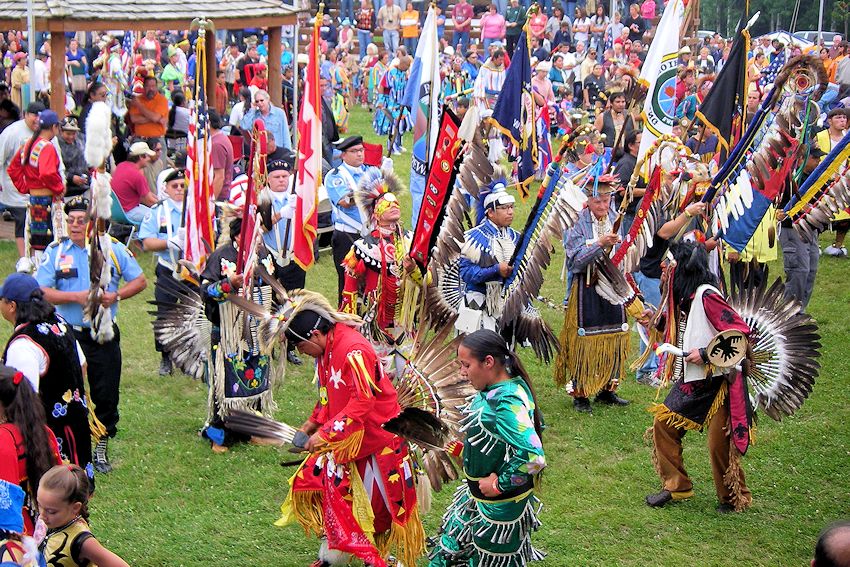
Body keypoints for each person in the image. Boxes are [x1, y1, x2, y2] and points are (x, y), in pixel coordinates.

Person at [270, 291, 424, 567]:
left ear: (315, 334)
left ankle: (378, 557)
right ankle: (335, 552)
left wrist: (325, 435)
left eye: (301, 347)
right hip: (351, 439)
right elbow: (331, 392)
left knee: (378, 506)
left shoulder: (353, 351)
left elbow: (361, 403)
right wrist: (312, 422)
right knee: (337, 493)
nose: (302, 354)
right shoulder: (327, 351)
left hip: (377, 441)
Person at [35, 196, 146, 474]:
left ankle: (101, 446)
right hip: (68, 334)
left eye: (81, 220)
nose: (75, 225)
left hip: (102, 334)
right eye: (71, 220)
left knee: (105, 392)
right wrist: (76, 296)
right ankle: (69, 446)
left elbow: (140, 280)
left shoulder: (112, 249)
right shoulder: (57, 252)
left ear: (92, 222)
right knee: (65, 391)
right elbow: (41, 290)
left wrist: (116, 295)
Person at [644, 241, 753, 513]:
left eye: (668, 264)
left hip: (721, 381)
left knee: (719, 442)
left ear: (683, 268)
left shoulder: (707, 296)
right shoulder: (686, 298)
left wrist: (705, 354)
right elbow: (676, 325)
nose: (663, 268)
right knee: (664, 424)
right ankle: (677, 485)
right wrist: (652, 320)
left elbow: (739, 331)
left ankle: (733, 497)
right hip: (695, 380)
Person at [429, 329, 546, 566]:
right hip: (477, 496)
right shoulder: (491, 389)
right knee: (450, 551)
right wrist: (466, 451)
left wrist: (498, 484)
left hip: (500, 508)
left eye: (466, 365)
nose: (462, 372)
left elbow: (534, 457)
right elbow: (498, 440)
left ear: (489, 362)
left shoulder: (507, 402)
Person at [0, 273, 94, 486]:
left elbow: (22, 397)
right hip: (76, 425)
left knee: (53, 498)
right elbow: (83, 365)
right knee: (74, 495)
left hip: (48, 438)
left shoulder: (24, 343)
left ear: (12, 306)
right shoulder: (59, 322)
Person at [199, 218, 278, 452]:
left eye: (259, 235)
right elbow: (205, 289)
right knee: (226, 383)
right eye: (253, 235)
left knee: (257, 378)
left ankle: (255, 430)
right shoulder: (221, 256)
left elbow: (274, 285)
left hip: (258, 330)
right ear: (238, 236)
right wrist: (228, 284)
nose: (258, 240)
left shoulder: (264, 255)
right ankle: (219, 435)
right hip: (229, 331)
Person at [554, 173, 631, 413]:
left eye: (607, 200)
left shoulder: (614, 217)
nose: (604, 206)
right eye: (598, 200)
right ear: (587, 200)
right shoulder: (577, 221)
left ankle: (609, 388)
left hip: (612, 286)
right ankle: (581, 393)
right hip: (585, 289)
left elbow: (624, 246)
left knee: (615, 334)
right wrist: (599, 243)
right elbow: (575, 261)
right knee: (584, 339)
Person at [340, 169, 426, 368]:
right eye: (387, 204)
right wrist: (349, 326)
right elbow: (350, 291)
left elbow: (427, 281)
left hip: (406, 322)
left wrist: (413, 269)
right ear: (376, 214)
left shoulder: (411, 241)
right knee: (379, 380)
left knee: (410, 380)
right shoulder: (363, 248)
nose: (394, 206)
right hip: (375, 325)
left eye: (396, 203)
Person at [139, 168, 192, 376]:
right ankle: (165, 357)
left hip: (190, 271)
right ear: (166, 189)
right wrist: (168, 242)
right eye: (175, 186)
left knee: (192, 314)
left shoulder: (195, 210)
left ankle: (190, 356)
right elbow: (147, 242)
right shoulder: (157, 211)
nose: (179, 189)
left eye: (182, 185)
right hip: (168, 268)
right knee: (165, 315)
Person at [0, 364, 62, 535]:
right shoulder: (42, 431)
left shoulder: (3, 440)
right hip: (42, 528)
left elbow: (5, 503)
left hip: (14, 536)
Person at [456, 181, 520, 334]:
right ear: (490, 212)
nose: (510, 212)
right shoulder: (472, 238)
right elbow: (467, 274)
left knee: (502, 353)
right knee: (474, 353)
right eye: (504, 208)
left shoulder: (516, 238)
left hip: (505, 305)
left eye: (511, 207)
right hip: (476, 304)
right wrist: (496, 270)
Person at [36, 464, 130, 566]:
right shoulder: (51, 523)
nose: (42, 515)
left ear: (75, 508)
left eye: (51, 511)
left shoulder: (82, 542)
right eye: (39, 505)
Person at [324, 136, 380, 301]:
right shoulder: (335, 176)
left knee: (371, 282)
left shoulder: (370, 171)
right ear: (343, 155)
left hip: (371, 235)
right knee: (348, 283)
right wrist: (372, 191)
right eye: (354, 151)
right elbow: (345, 202)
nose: (359, 154)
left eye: (361, 150)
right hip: (348, 236)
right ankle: (345, 322)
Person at [7, 109, 65, 267]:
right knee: (49, 239)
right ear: (53, 127)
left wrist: (26, 187)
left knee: (37, 239)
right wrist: (59, 188)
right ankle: (46, 271)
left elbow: (13, 169)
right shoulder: (46, 147)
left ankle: (39, 269)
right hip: (46, 201)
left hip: (34, 199)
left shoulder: (28, 145)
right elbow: (47, 173)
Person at [0, 101, 44, 271]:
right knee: (22, 221)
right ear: (25, 114)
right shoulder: (11, 133)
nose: (37, 120)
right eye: (34, 115)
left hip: (38, 188)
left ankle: (35, 256)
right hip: (15, 188)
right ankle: (24, 258)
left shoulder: (44, 132)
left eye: (40, 116)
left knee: (37, 223)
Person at [111, 141, 159, 223]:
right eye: (147, 156)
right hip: (129, 212)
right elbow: (149, 201)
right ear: (141, 157)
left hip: (116, 211)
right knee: (158, 217)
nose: (149, 159)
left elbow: (147, 194)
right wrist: (164, 205)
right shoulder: (137, 175)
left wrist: (159, 199)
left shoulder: (121, 166)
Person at [127, 75, 168, 162]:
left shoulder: (162, 100)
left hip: (158, 141)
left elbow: (155, 117)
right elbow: (134, 119)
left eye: (153, 86)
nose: (151, 89)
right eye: (148, 86)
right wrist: (155, 119)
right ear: (143, 87)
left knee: (159, 170)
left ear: (156, 87)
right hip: (140, 140)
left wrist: (139, 106)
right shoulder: (137, 99)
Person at [56, 118, 89, 198]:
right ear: (61, 131)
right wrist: (71, 178)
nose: (71, 137)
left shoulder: (82, 140)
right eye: (68, 133)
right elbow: (55, 169)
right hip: (66, 190)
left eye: (73, 133)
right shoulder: (56, 144)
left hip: (84, 187)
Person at [208, 110, 234, 201]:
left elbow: (219, 177)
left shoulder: (216, 144)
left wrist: (210, 202)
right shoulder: (221, 138)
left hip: (218, 195)